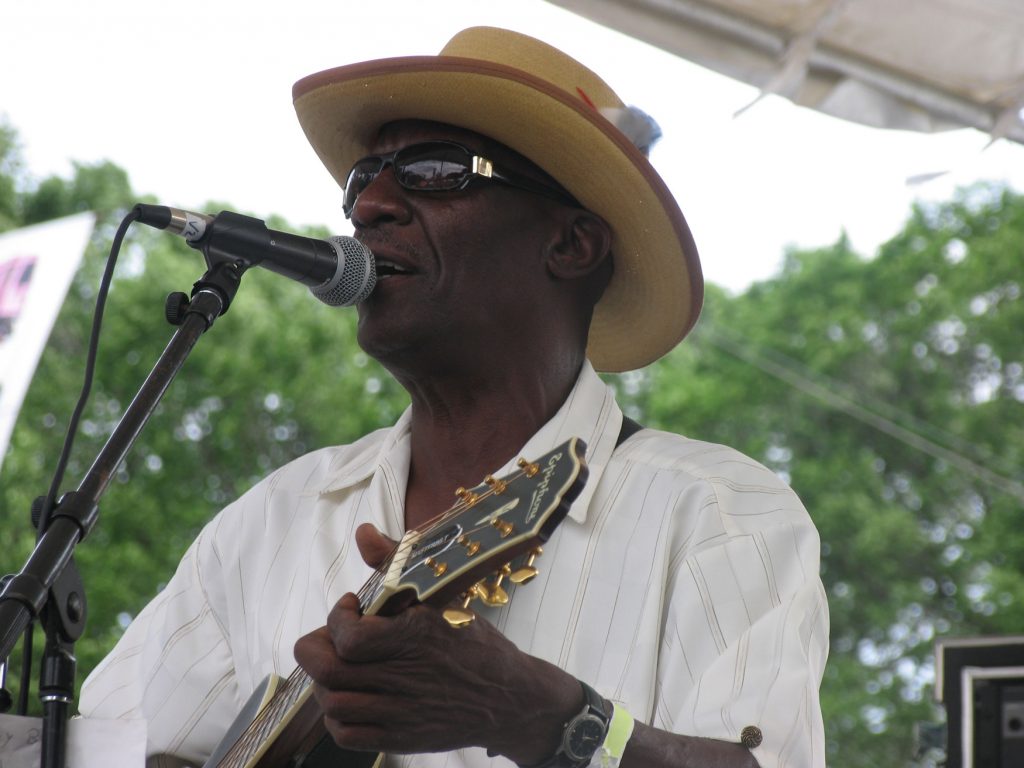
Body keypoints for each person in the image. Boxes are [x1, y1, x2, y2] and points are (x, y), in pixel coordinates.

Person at [80, 26, 829, 768]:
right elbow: (110, 745)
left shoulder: (720, 515)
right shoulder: (270, 521)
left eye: (435, 170)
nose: (368, 205)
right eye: (362, 177)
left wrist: (540, 716)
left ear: (570, 245)